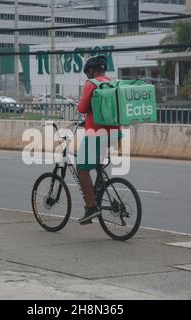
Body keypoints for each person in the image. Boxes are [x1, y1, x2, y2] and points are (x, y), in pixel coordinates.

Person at [76, 55, 121, 225]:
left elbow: (82, 108)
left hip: (95, 133)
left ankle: (91, 207)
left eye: (88, 72)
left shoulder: (91, 84)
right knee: (96, 164)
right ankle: (97, 193)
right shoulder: (113, 83)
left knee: (81, 168)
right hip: (115, 134)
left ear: (90, 71)